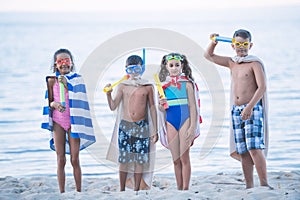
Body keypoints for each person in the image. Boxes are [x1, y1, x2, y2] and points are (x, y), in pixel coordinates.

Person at [204, 29, 272, 189]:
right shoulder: (232, 62)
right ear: (233, 46)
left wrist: (250, 107)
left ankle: (264, 184)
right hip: (236, 111)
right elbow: (209, 56)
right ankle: (249, 185)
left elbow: (262, 87)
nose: (241, 47)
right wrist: (214, 43)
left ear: (250, 45)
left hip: (252, 109)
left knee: (254, 147)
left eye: (245, 44)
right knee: (242, 150)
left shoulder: (254, 63)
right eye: (238, 44)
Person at [41, 48, 96, 193]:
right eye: (60, 61)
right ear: (55, 65)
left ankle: (78, 191)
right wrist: (55, 105)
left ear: (71, 63)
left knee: (74, 159)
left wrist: (66, 82)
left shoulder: (77, 79)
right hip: (58, 121)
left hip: (74, 122)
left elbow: (79, 97)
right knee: (60, 159)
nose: (64, 64)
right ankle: (62, 192)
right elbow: (50, 102)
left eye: (67, 60)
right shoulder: (51, 80)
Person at [105, 55, 158, 192]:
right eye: (130, 69)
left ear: (142, 68)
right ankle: (122, 189)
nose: (134, 72)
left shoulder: (147, 87)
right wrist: (108, 94)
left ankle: (136, 189)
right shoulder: (123, 86)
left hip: (142, 127)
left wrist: (155, 130)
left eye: (137, 68)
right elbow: (113, 106)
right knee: (124, 160)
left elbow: (153, 108)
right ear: (126, 70)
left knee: (140, 160)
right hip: (125, 127)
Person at [158, 53, 201, 190]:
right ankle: (179, 188)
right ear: (166, 67)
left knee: (184, 157)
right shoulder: (162, 87)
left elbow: (193, 107)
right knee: (176, 160)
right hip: (171, 121)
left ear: (182, 66)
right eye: (171, 65)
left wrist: (192, 126)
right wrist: (161, 103)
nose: (174, 68)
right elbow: (161, 110)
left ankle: (186, 189)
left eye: (177, 65)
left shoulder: (187, 84)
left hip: (185, 121)